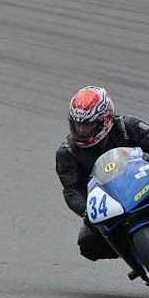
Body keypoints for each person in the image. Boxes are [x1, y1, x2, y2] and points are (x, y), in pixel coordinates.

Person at [55, 86, 149, 261]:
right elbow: (72, 189)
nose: (81, 130)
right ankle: (137, 254)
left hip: (143, 184)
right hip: (112, 202)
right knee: (88, 244)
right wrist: (86, 210)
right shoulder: (67, 153)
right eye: (77, 124)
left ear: (104, 120)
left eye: (87, 125)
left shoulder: (128, 127)